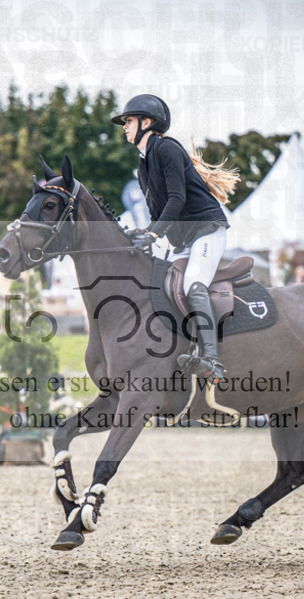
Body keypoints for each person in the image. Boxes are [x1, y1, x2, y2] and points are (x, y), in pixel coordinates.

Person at [111, 94, 237, 383]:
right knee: (161, 286)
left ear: (147, 122)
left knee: (193, 286)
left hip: (206, 230)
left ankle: (212, 361)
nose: (125, 127)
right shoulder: (144, 163)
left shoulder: (166, 148)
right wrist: (145, 237)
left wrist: (153, 232)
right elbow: (159, 210)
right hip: (182, 240)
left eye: (128, 121)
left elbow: (177, 199)